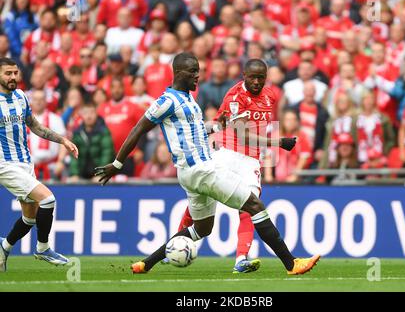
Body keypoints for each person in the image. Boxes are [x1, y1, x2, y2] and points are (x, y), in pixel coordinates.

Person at [95, 53, 320, 275]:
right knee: (255, 206)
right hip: (202, 169)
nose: (197, 76)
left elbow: (197, 131)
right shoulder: (166, 101)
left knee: (202, 228)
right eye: (193, 71)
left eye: (198, 71)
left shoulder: (189, 101)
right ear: (178, 73)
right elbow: (138, 129)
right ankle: (291, 264)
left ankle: (146, 263)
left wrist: (218, 125)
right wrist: (117, 163)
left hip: (191, 174)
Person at [0, 57, 79, 272]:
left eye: (15, 73)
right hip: (5, 164)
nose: (13, 77)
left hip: (25, 162)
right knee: (48, 199)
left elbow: (34, 125)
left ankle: (4, 245)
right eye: (8, 73)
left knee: (30, 216)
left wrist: (62, 139)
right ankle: (43, 248)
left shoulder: (21, 97)